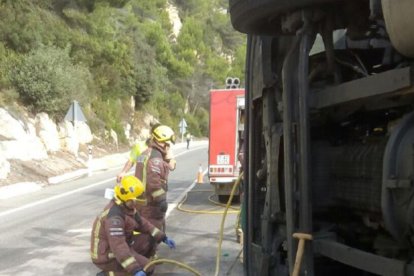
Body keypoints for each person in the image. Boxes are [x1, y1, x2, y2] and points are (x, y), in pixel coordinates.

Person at [91, 175, 176, 276]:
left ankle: (131, 265)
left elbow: (143, 224)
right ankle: (110, 273)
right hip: (106, 256)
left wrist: (163, 237)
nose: (136, 203)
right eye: (134, 200)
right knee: (148, 268)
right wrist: (134, 269)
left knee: (150, 237)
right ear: (126, 198)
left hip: (119, 246)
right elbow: (119, 247)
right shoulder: (114, 218)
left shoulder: (126, 208)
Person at [134, 125, 176, 231]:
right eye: (168, 144)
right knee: (151, 236)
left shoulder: (145, 153)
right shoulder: (155, 159)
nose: (169, 146)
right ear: (164, 142)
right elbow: (154, 183)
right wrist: (161, 200)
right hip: (150, 204)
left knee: (141, 233)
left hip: (140, 201)